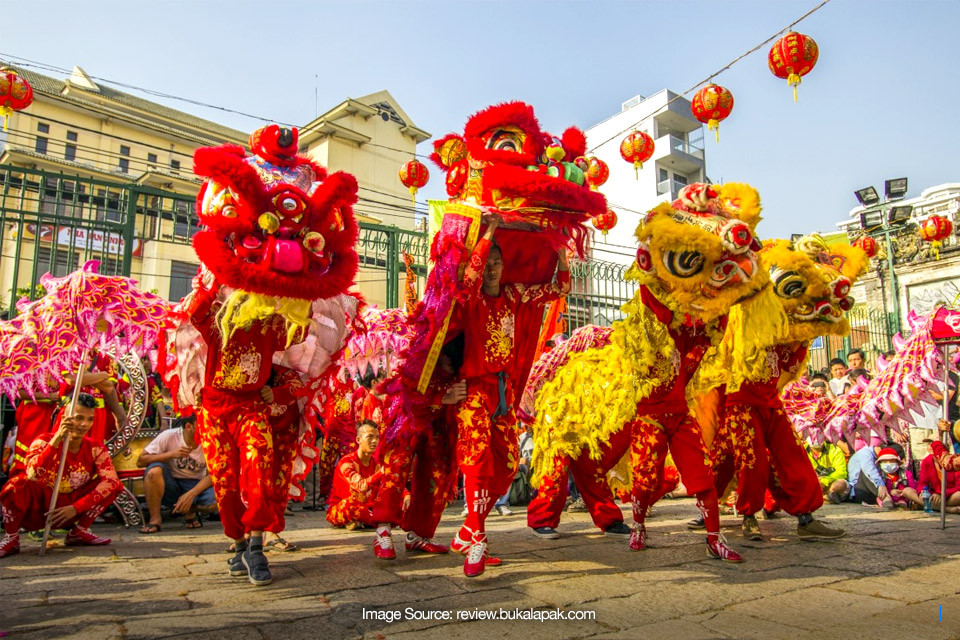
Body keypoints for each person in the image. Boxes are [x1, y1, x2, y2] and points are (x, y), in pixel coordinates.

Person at [451, 216, 570, 577]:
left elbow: (559, 289)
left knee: (506, 466)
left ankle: (469, 528)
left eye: (497, 263)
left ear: (505, 266)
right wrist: (488, 233)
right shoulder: (470, 296)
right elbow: (470, 277)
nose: (491, 269)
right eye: (487, 262)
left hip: (504, 390)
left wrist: (562, 256)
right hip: (474, 390)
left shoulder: (515, 294)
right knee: (476, 461)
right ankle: (478, 539)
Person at [187, 268, 297, 587]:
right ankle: (238, 545)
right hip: (215, 410)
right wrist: (220, 272)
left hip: (252, 407)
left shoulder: (271, 324)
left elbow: (299, 330)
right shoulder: (216, 321)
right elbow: (195, 311)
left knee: (260, 473)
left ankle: (257, 546)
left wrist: (298, 290)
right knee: (225, 481)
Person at [0, 394, 122, 558]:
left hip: (70, 506)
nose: (84, 425)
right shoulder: (43, 441)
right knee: (14, 486)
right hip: (40, 507)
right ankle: (12, 538)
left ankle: (79, 531)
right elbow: (32, 474)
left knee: (114, 485)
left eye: (90, 419)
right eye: (79, 418)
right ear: (64, 417)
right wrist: (56, 439)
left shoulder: (95, 448)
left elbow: (111, 481)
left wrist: (76, 508)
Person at [137, 415, 216, 533]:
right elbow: (141, 461)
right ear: (189, 426)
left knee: (220, 498)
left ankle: (190, 510)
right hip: (172, 484)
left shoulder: (211, 440)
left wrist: (191, 494)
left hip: (197, 484)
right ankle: (155, 519)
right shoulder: (169, 436)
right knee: (154, 471)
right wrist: (171, 454)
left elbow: (215, 473)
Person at [327, 421, 387, 528]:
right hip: (345, 508)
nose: (375, 441)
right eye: (369, 437)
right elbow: (360, 486)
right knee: (351, 505)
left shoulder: (376, 463)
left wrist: (406, 495)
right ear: (358, 440)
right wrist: (381, 472)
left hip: (367, 507)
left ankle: (365, 520)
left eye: (377, 437)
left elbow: (388, 483)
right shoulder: (346, 463)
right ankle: (371, 520)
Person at [842, 444, 904, 508]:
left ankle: (895, 498)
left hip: (873, 493)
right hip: (859, 490)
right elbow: (869, 471)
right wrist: (880, 485)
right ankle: (885, 497)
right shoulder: (865, 454)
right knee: (869, 473)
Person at [805, 439, 848, 503]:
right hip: (810, 484)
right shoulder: (801, 450)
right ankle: (823, 497)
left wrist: (824, 481)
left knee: (841, 483)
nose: (815, 438)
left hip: (828, 483)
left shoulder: (835, 450)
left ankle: (826, 496)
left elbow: (841, 472)